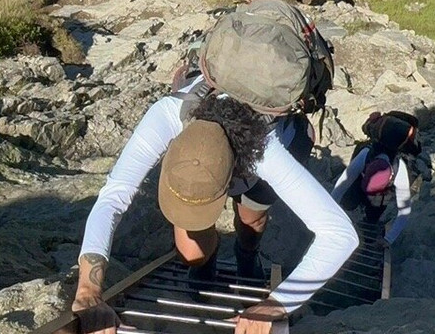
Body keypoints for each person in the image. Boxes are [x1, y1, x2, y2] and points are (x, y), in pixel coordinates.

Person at [71, 88, 358, 334]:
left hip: (267, 146)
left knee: (251, 219)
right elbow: (112, 197)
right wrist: (88, 289)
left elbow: (340, 235)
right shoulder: (167, 116)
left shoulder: (267, 151)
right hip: (227, 158)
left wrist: (276, 303)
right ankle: (207, 261)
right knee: (191, 251)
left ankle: (247, 254)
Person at [330, 111, 420, 248]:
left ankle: (371, 220)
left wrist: (388, 239)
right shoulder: (364, 155)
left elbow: (404, 210)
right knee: (348, 201)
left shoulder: (399, 169)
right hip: (366, 170)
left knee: (374, 212)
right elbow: (340, 187)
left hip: (383, 186)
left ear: (391, 179)